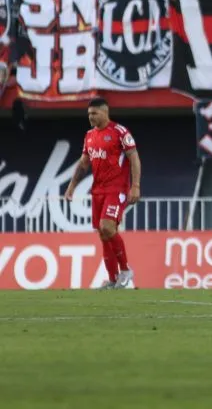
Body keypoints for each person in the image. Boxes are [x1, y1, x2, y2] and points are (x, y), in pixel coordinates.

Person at [63, 98, 141, 289]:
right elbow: (83, 164)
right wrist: (72, 186)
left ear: (105, 112)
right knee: (103, 234)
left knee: (107, 227)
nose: (90, 117)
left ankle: (125, 270)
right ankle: (113, 279)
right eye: (89, 114)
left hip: (117, 189)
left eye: (94, 113)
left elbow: (134, 158)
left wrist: (135, 186)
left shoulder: (119, 132)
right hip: (98, 190)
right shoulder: (89, 135)